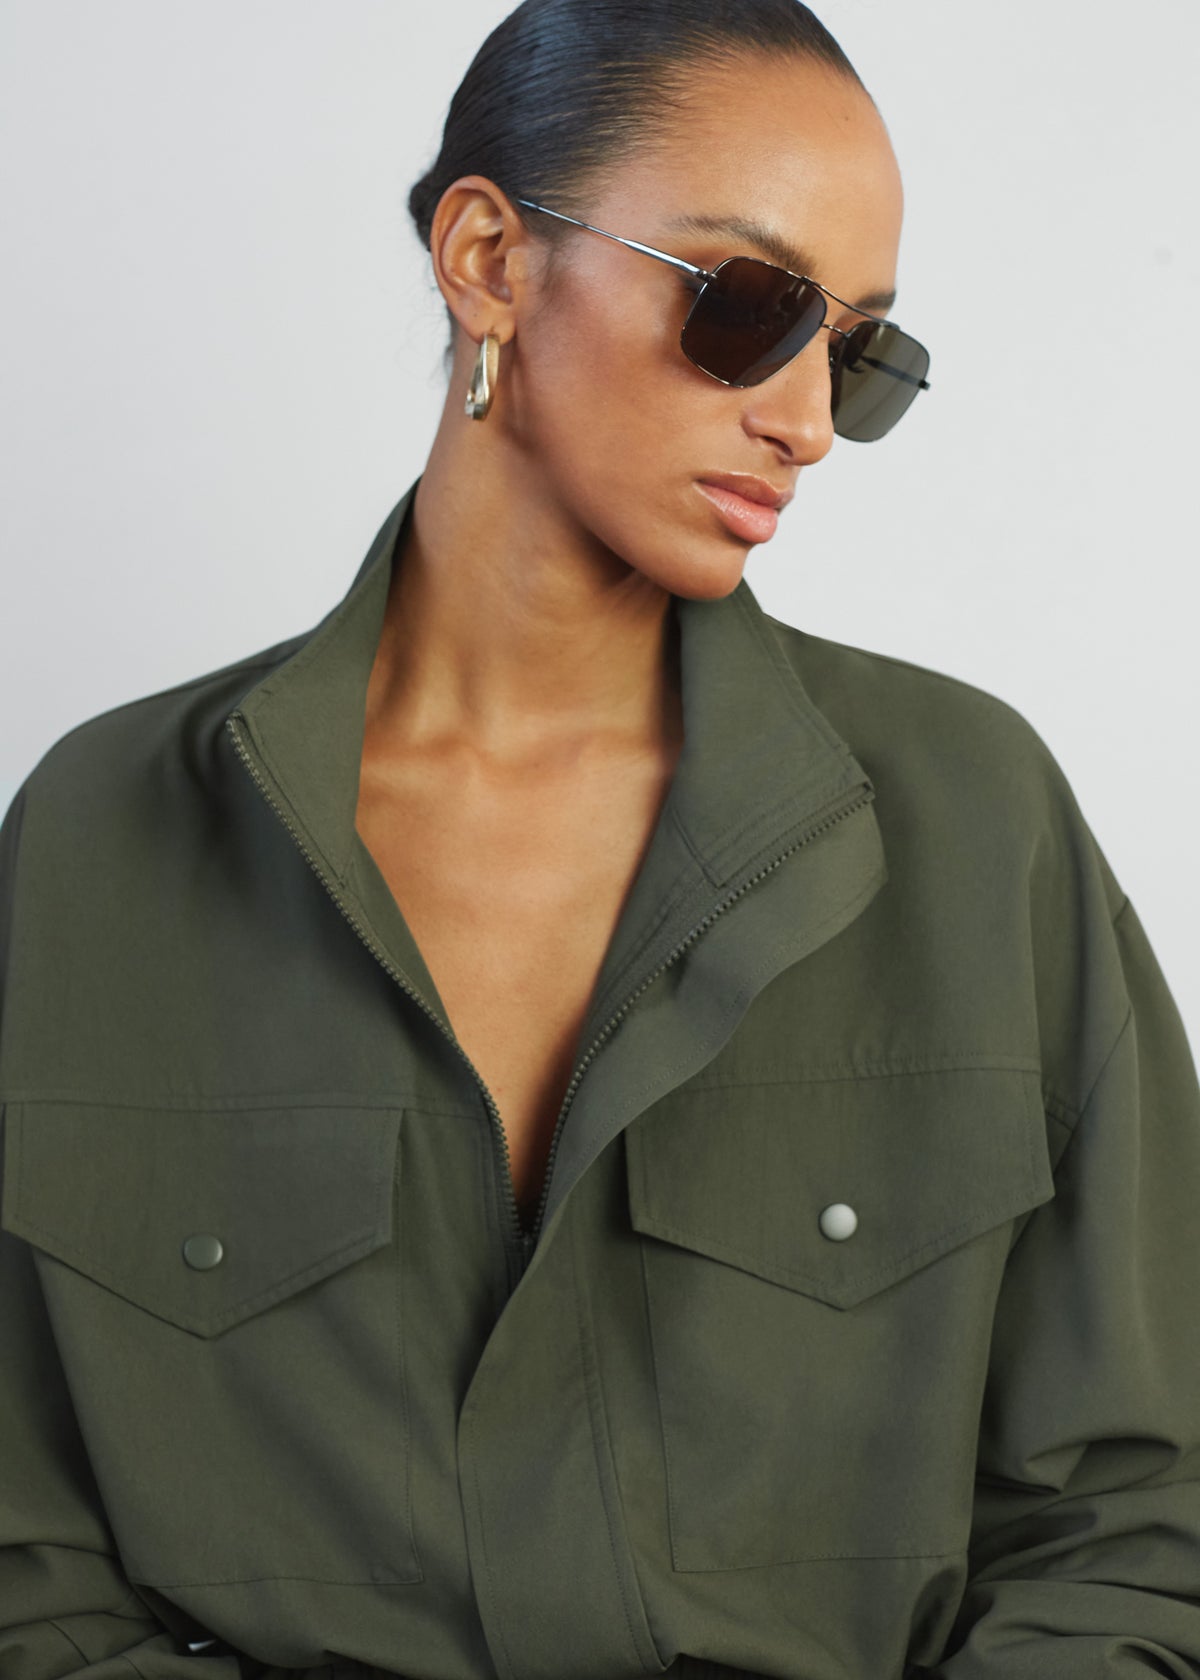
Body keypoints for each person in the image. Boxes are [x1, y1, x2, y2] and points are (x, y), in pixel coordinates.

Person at [1, 2, 1198, 1678]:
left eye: (857, 355)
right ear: (489, 259)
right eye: (750, 308)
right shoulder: (100, 840)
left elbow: (1138, 1533)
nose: (803, 419)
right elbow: (26, 1570)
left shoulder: (975, 824)